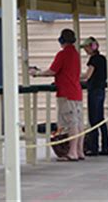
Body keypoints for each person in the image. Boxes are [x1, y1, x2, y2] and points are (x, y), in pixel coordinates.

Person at [29, 29, 85, 161]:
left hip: (66, 93)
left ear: (61, 40)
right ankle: (79, 150)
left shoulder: (63, 54)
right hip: (76, 92)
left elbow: (52, 71)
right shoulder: (76, 54)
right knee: (79, 123)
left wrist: (36, 73)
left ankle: (72, 152)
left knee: (71, 123)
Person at [81, 37, 108, 156]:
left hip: (94, 90)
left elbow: (87, 75)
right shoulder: (103, 59)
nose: (85, 50)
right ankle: (105, 146)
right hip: (101, 89)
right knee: (100, 118)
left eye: (86, 47)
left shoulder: (93, 59)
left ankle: (94, 147)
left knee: (93, 119)